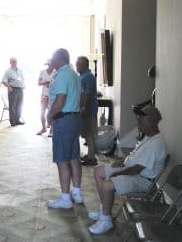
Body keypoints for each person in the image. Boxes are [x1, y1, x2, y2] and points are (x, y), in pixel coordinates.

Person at [88, 105, 168, 234]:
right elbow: (135, 156)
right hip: (132, 171)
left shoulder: (156, 143)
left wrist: (118, 173)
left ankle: (106, 221)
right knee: (98, 171)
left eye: (141, 121)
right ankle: (104, 210)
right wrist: (123, 162)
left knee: (108, 184)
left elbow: (137, 169)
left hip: (143, 180)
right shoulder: (148, 137)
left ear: (152, 122)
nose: (138, 124)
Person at [46, 48, 83, 209]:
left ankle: (65, 198)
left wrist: (49, 116)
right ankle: (77, 192)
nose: (51, 61)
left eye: (53, 58)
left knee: (62, 159)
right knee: (74, 157)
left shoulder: (61, 75)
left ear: (59, 59)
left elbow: (60, 101)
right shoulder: (75, 75)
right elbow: (81, 98)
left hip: (63, 119)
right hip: (74, 118)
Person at [76, 56, 98, 165]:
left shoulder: (87, 77)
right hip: (87, 110)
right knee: (87, 133)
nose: (76, 66)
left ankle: (91, 158)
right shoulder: (84, 76)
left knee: (89, 134)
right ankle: (90, 155)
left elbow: (87, 94)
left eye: (78, 64)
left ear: (84, 65)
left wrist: (84, 108)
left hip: (88, 110)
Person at [1, 57, 25, 126]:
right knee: (12, 106)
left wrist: (23, 85)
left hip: (20, 89)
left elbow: (22, 79)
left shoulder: (20, 70)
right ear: (10, 62)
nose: (15, 62)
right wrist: (8, 87)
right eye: (13, 61)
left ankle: (18, 120)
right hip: (13, 89)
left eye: (16, 61)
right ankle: (13, 121)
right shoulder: (8, 71)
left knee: (20, 105)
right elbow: (3, 81)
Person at [37, 59, 54, 136]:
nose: (50, 66)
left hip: (53, 96)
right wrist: (46, 82)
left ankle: (51, 130)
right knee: (42, 113)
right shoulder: (42, 72)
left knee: (51, 113)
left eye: (52, 64)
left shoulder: (55, 72)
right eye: (49, 64)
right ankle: (44, 128)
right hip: (44, 95)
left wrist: (51, 83)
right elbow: (39, 83)